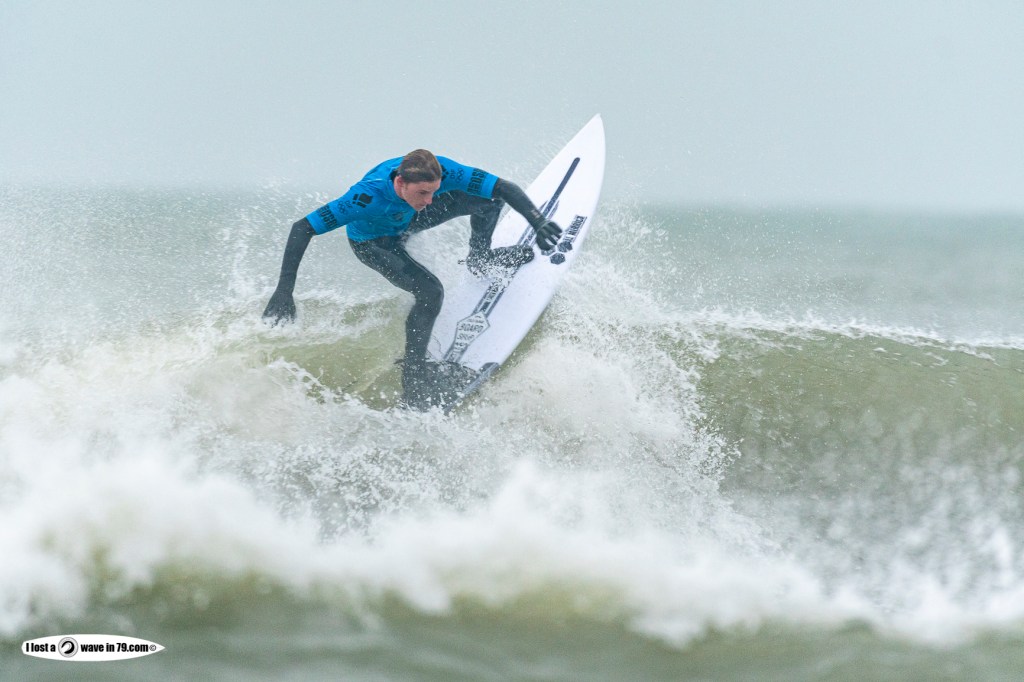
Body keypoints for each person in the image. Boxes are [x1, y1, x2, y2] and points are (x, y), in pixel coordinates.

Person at [262, 149, 562, 408]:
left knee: (490, 200)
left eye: (434, 191)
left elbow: (504, 187)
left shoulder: (444, 173)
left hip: (409, 217)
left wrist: (538, 222)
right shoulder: (363, 198)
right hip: (375, 242)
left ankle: (480, 258)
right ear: (399, 183)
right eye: (423, 193)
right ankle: (414, 378)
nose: (430, 199)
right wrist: (284, 291)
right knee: (431, 292)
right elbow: (302, 228)